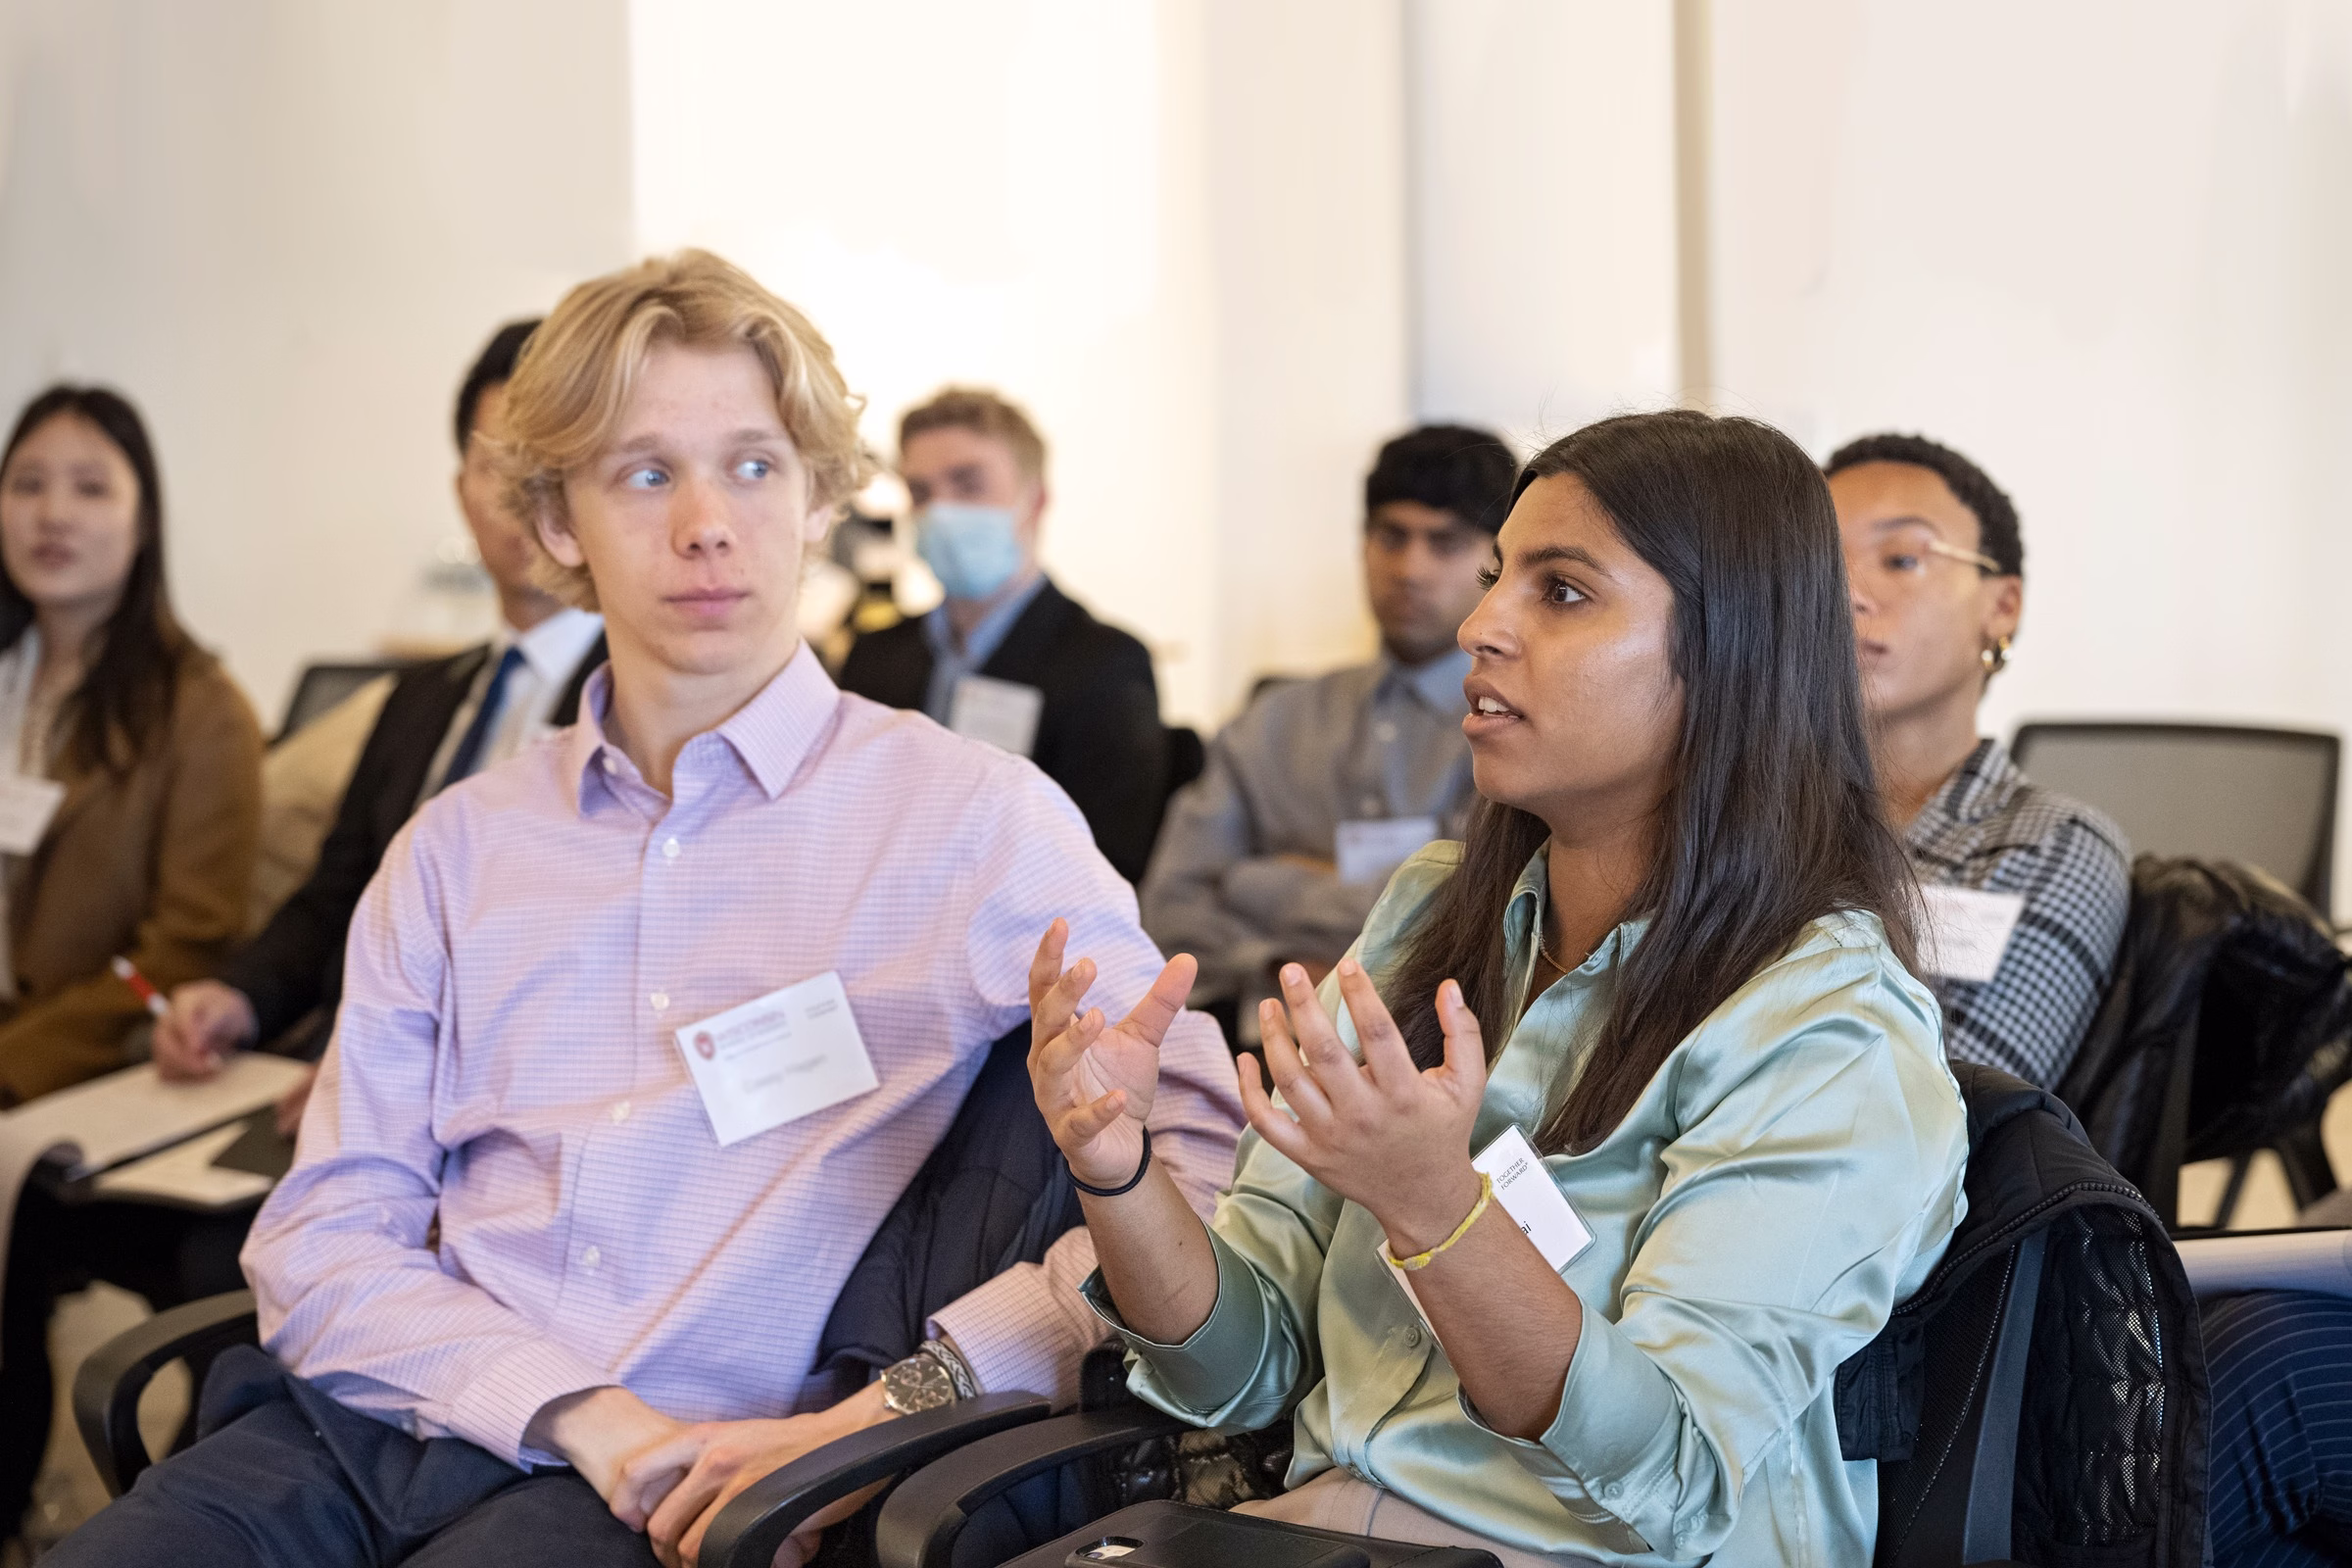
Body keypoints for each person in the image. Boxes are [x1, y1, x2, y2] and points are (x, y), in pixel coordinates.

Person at [49, 250, 1240, 1568]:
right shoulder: (455, 851)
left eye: (752, 465)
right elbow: (325, 1232)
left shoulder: (970, 822)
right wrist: (574, 1410)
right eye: (645, 473)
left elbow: (1200, 1182)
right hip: (379, 1423)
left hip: (697, 1476)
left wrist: (921, 1391)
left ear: (820, 501)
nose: (707, 523)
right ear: (558, 520)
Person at [1032, 410, 1968, 1565]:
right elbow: (1238, 1374)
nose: (1480, 624)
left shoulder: (1829, 1025)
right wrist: (1114, 1166)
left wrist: (1436, 1210)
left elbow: (1666, 1482)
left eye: (1561, 592)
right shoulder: (1436, 913)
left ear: (1731, 654)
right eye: (1496, 581)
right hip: (1312, 1535)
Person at [151, 319, 607, 1134]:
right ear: (459, 489)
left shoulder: (637, 699)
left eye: (550, 467)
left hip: (490, 1105)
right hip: (319, 1074)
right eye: (495, 465)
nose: (520, 498)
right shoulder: (421, 698)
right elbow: (336, 894)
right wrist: (239, 997)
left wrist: (389, 1080)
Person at [0, 385, 264, 1540]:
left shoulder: (198, 708)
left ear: (145, 519)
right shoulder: (9, 678)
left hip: (90, 1064)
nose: (54, 512)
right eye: (27, 482)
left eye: (91, 486)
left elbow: (183, 945)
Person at [1141, 425, 1514, 1035]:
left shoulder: (1519, 729)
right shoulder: (1273, 720)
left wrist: (1258, 883)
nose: (1410, 568)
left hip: (1447, 1061)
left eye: (1445, 542)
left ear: (1498, 561)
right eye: (1391, 536)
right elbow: (1170, 908)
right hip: (1258, 1059)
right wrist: (1276, 966)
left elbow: (1481, 921)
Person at [1827, 432, 2131, 1089]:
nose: (1845, 593)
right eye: (1819, 562)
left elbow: (1939, 1119)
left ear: (2002, 608)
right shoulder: (1731, 808)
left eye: (1902, 559)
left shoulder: (2050, 845)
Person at [837, 388, 1167, 881]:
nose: (940, 512)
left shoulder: (1105, 665)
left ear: (1034, 501)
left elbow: (1105, 863)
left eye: (969, 485)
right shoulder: (874, 658)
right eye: (921, 493)